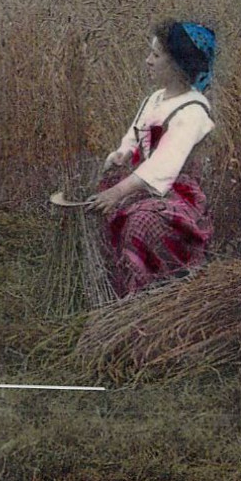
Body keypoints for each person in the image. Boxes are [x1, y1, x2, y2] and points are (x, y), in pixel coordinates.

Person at [87, 20, 216, 297]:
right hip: (145, 187)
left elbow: (164, 164)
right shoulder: (155, 99)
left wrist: (120, 190)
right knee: (102, 204)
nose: (148, 61)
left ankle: (151, 293)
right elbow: (134, 139)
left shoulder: (193, 111)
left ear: (179, 65)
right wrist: (122, 154)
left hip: (177, 197)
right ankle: (112, 287)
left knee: (140, 223)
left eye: (156, 56)